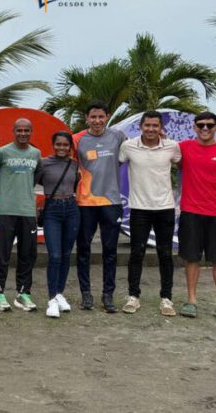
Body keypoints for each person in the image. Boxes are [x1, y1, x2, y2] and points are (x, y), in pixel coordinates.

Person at [178, 112, 216, 324]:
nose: (205, 129)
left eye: (210, 125)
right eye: (201, 125)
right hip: (191, 211)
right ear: (194, 127)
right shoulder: (183, 147)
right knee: (192, 258)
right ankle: (191, 301)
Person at [119, 111, 181, 316]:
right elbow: (114, 165)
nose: (151, 129)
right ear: (141, 126)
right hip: (138, 208)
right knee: (137, 254)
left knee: (165, 254)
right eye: (147, 125)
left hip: (165, 208)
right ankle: (133, 296)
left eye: (155, 126)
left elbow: (184, 167)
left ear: (161, 128)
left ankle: (166, 298)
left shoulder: (172, 147)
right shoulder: (128, 146)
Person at [75, 102, 127, 313]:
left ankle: (108, 295)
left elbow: (129, 156)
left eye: (101, 117)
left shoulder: (118, 137)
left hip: (111, 202)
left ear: (107, 117)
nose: (97, 121)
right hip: (85, 203)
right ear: (86, 118)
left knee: (110, 251)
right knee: (84, 250)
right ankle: (86, 294)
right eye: (93, 117)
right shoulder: (77, 139)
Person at [0, 118, 41, 312]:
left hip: (27, 211)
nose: (23, 134)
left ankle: (23, 293)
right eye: (19, 130)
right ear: (13, 131)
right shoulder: (2, 152)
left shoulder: (36, 154)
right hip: (5, 210)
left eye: (27, 130)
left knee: (27, 254)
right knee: (3, 254)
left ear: (31, 131)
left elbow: (34, 179)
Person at [36, 131, 80, 318]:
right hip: (52, 208)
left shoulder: (75, 164)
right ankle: (51, 298)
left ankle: (60, 293)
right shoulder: (44, 163)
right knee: (54, 255)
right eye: (58, 144)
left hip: (71, 208)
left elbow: (77, 184)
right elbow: (31, 182)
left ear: (70, 147)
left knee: (65, 254)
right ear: (53, 145)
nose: (62, 148)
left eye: (65, 145)